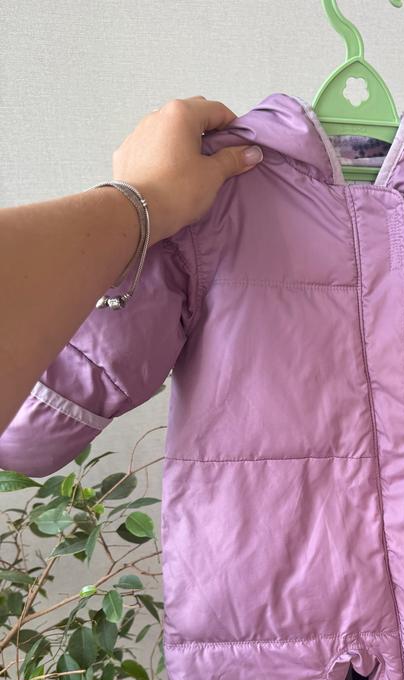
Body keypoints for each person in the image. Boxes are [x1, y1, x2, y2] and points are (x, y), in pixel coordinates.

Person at [0, 96, 263, 435]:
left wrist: (144, 199)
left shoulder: (213, 188)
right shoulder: (212, 186)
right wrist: (146, 200)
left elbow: (38, 429)